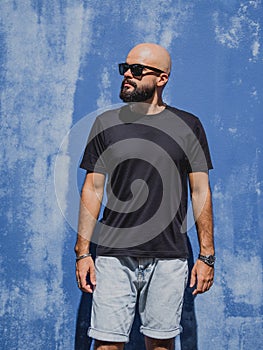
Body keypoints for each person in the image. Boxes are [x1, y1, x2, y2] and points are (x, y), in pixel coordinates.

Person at [75, 43, 215, 350]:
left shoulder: (188, 125)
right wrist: (83, 252)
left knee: (161, 345)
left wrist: (206, 256)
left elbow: (200, 190)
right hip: (113, 255)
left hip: (169, 255)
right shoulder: (106, 124)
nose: (127, 75)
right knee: (106, 345)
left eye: (137, 70)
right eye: (124, 68)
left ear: (162, 79)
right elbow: (93, 188)